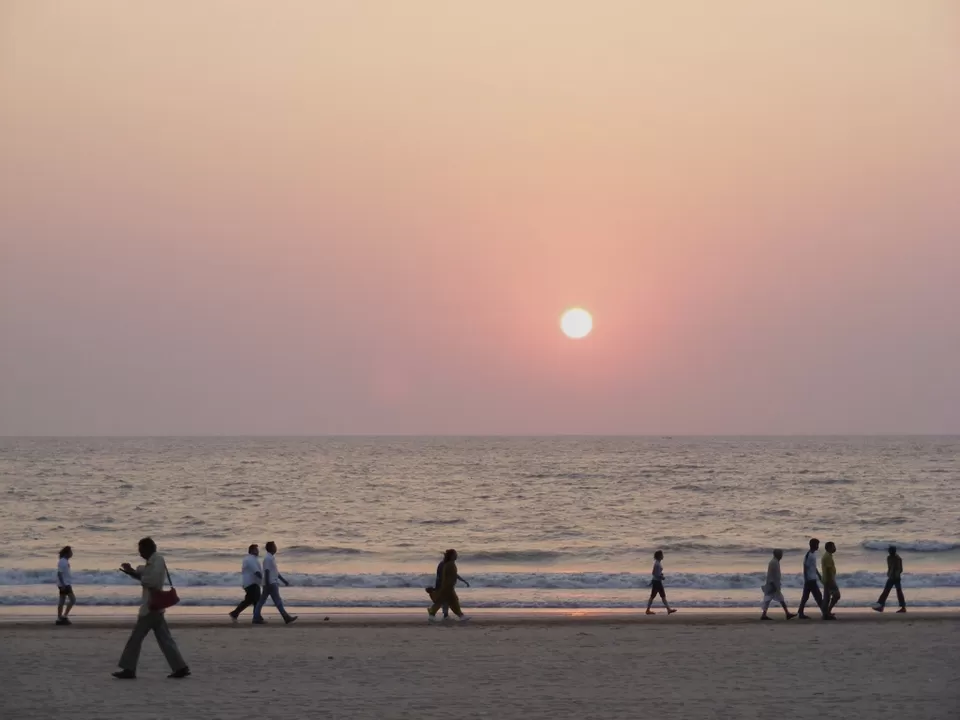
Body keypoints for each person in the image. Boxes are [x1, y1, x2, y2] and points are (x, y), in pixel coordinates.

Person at [113, 537, 190, 679]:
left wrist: (136, 574)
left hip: (150, 608)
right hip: (155, 607)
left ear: (148, 549)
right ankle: (180, 667)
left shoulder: (157, 561)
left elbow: (152, 581)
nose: (140, 553)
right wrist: (133, 572)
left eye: (141, 550)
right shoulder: (154, 561)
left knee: (136, 639)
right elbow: (148, 576)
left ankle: (129, 669)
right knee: (165, 640)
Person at [253, 541, 297, 625]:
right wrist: (267, 583)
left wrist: (284, 580)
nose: (276, 547)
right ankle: (286, 617)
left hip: (271, 582)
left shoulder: (271, 558)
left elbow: (275, 572)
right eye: (274, 546)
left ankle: (256, 617)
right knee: (276, 601)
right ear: (271, 548)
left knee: (263, 601)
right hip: (271, 583)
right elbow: (266, 571)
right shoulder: (268, 558)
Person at [425, 550, 470, 620]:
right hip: (446, 586)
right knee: (449, 600)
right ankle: (459, 616)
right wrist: (441, 587)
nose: (457, 556)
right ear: (451, 556)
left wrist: (463, 581)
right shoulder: (447, 564)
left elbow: (453, 575)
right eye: (455, 554)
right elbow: (441, 576)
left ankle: (441, 614)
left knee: (445, 600)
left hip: (447, 586)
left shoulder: (448, 563)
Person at [229, 544, 263, 623]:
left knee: (250, 600)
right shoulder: (250, 559)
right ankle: (256, 618)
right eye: (256, 549)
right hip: (252, 583)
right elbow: (256, 571)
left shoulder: (250, 559)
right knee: (256, 601)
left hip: (250, 583)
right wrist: (264, 580)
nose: (258, 551)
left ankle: (235, 613)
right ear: (252, 551)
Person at [760, 549, 796, 620]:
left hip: (773, 584)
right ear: (777, 554)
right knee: (778, 599)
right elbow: (771, 575)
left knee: (769, 599)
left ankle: (764, 614)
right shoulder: (774, 562)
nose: (782, 555)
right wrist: (774, 585)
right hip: (773, 585)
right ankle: (787, 614)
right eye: (781, 554)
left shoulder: (775, 562)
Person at [797, 538, 825, 619]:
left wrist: (818, 575)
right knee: (818, 596)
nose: (818, 546)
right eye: (817, 544)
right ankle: (824, 612)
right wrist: (806, 578)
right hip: (810, 580)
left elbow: (813, 566)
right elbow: (805, 567)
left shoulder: (812, 554)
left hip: (812, 578)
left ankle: (800, 611)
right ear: (814, 545)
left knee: (805, 596)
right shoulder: (809, 555)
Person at [872, 545, 906, 613]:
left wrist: (895, 575)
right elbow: (889, 567)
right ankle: (880, 606)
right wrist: (889, 574)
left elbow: (900, 569)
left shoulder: (898, 558)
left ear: (894, 551)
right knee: (885, 592)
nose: (890, 552)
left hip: (896, 578)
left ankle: (903, 608)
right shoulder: (889, 558)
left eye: (891, 551)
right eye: (889, 551)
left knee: (899, 593)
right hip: (891, 577)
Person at [645, 550, 677, 615]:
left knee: (661, 596)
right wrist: (661, 577)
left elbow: (656, 573)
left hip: (657, 581)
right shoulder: (657, 564)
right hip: (657, 582)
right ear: (659, 556)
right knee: (654, 596)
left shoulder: (658, 563)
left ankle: (668, 609)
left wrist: (660, 575)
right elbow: (654, 573)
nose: (663, 556)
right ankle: (648, 610)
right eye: (662, 555)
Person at [56, 546, 76, 626]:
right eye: (71, 552)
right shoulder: (62, 561)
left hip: (65, 583)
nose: (72, 554)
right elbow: (59, 574)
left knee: (62, 600)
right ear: (67, 553)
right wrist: (63, 584)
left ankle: (60, 618)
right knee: (73, 600)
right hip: (65, 584)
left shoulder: (64, 561)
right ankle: (63, 616)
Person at [821, 542, 840, 618]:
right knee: (837, 595)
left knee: (827, 598)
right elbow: (828, 570)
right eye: (833, 546)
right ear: (829, 548)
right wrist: (832, 581)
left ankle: (826, 613)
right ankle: (827, 612)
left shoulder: (827, 556)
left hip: (827, 580)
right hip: (829, 580)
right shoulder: (827, 557)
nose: (835, 548)